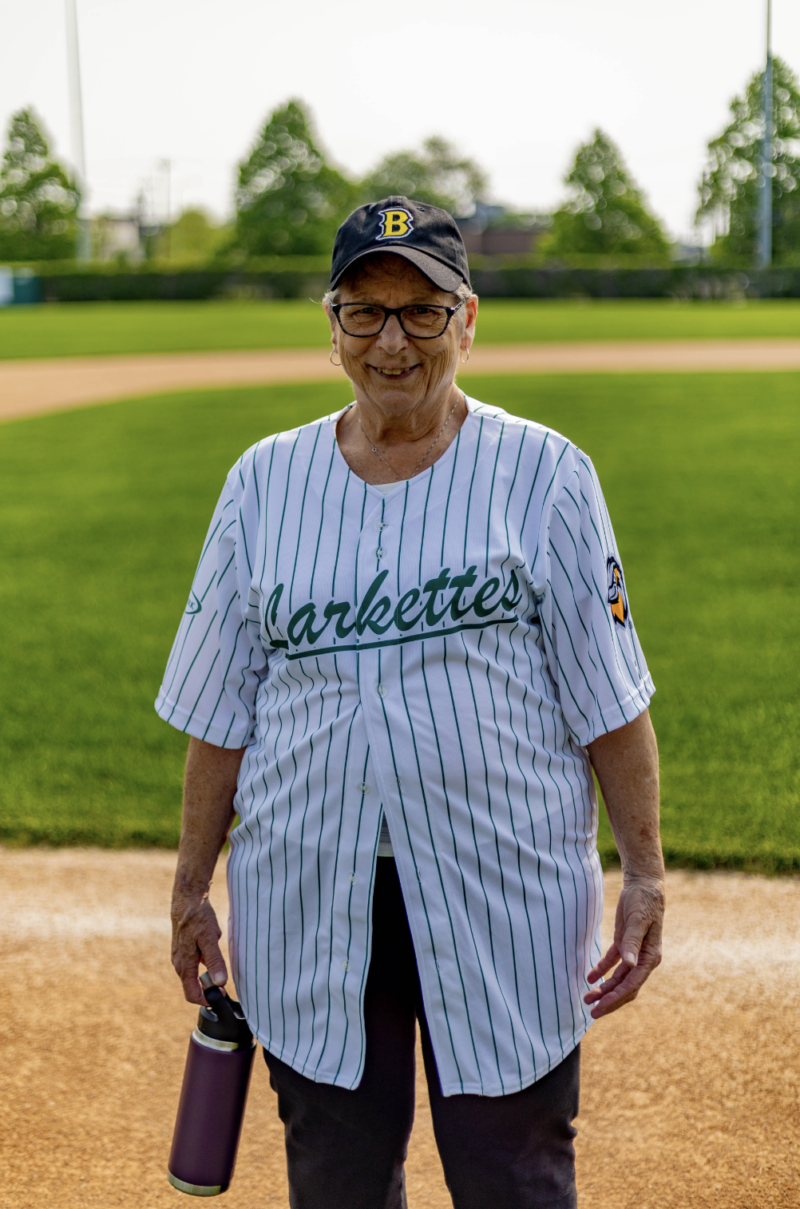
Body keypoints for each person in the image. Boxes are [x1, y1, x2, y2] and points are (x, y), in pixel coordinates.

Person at [158, 196, 665, 1209]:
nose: (393, 340)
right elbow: (221, 706)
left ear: (466, 321)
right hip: (309, 892)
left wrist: (643, 872)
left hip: (500, 889)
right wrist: (188, 886)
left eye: (421, 311)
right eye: (365, 311)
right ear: (331, 325)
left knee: (513, 1175)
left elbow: (608, 697)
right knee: (338, 1180)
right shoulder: (262, 485)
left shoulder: (546, 476)